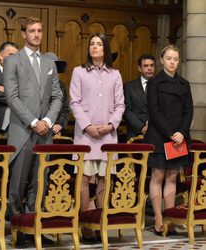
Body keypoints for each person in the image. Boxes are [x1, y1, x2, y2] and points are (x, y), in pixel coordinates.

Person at [3, 16, 62, 246]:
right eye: (32, 30)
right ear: (23, 34)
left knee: (40, 182)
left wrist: (47, 119)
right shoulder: (13, 61)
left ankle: (35, 228)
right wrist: (33, 121)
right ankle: (19, 231)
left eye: (39, 30)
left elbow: (57, 96)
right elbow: (12, 97)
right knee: (17, 185)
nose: (36, 34)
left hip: (45, 132)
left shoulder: (49, 62)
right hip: (23, 131)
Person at [70, 32, 125, 242]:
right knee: (84, 179)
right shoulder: (79, 71)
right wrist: (87, 126)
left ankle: (100, 222)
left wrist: (111, 125)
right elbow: (74, 101)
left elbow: (120, 104)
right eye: (92, 44)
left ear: (106, 49)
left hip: (108, 136)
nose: (94, 47)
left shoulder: (115, 74)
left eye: (99, 44)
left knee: (104, 179)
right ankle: (85, 224)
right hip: (86, 135)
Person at [144, 45, 193, 235]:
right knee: (158, 176)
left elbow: (189, 111)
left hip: (179, 139)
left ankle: (170, 217)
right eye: (169, 58)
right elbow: (154, 112)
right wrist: (171, 132)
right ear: (162, 60)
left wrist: (181, 132)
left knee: (172, 176)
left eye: (176, 59)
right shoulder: (155, 83)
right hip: (159, 136)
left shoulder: (184, 84)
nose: (172, 62)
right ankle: (157, 217)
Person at [124, 54, 156, 141]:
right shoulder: (129, 87)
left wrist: (152, 126)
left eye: (152, 65)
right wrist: (141, 127)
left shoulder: (161, 86)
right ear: (139, 68)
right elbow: (127, 110)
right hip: (135, 133)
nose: (149, 68)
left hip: (157, 132)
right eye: (145, 66)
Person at [0, 41, 18, 136]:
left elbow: (28, 97)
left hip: (18, 126)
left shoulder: (22, 76)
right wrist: (16, 94)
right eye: (10, 55)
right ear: (0, 56)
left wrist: (4, 89)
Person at [44, 52, 70, 136]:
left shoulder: (61, 86)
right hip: (40, 129)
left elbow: (66, 108)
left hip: (58, 130)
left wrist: (60, 124)